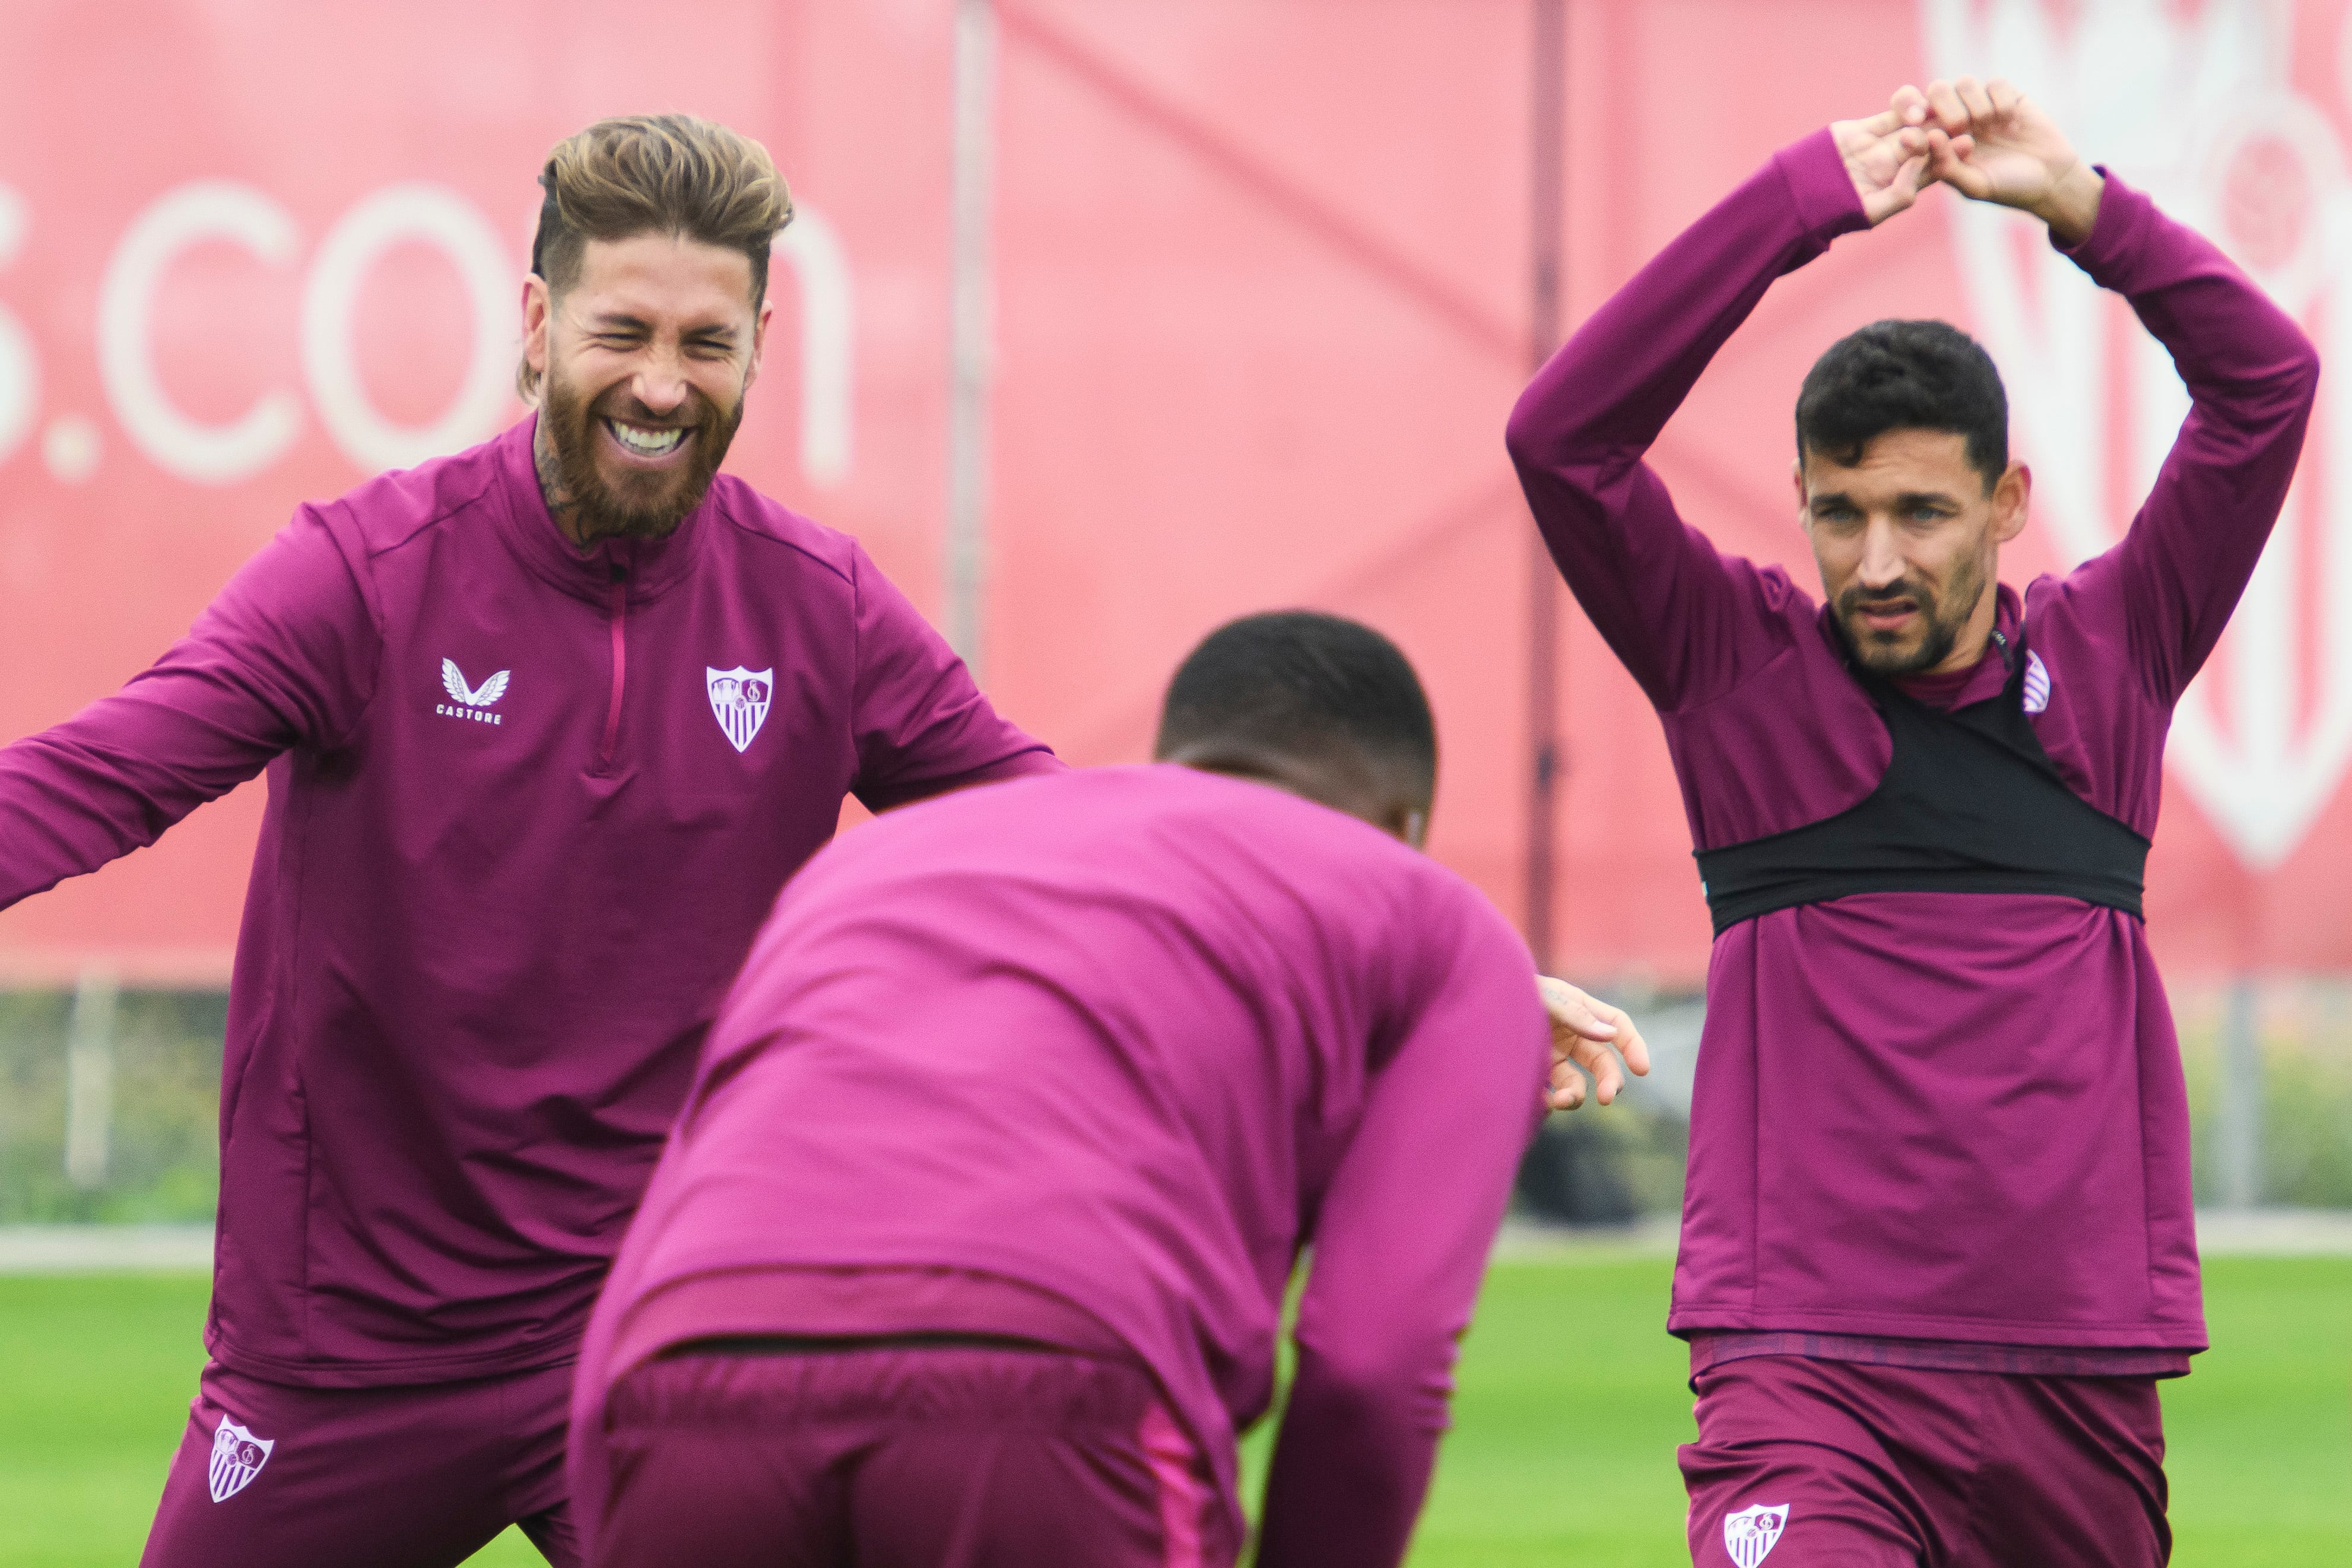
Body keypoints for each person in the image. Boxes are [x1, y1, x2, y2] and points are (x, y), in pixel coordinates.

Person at [0, 115, 1062, 1568]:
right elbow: (99, 775)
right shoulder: (362, 577)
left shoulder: (821, 609)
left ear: (760, 341)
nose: (660, 383)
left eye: (706, 343)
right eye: (622, 331)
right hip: (350, 1351)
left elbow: (1059, 847)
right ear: (535, 320)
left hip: (662, 1339)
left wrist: (1320, 949)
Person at [1506, 78, 2318, 1566]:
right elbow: (1561, 439)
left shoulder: (2114, 657)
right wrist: (1794, 205)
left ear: (2006, 501)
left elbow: (2265, 383)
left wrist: (2083, 208)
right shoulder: (1731, 671)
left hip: (2073, 1386)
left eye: (1920, 515)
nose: (1873, 561)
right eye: (1838, 513)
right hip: (1803, 1377)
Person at [564, 611, 1652, 1568]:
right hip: (1048, 1391)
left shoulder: (866, 866)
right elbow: (1374, 1362)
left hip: (676, 1379)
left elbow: (690, 1188)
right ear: (1408, 823)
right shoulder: (1433, 916)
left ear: (1172, 760)